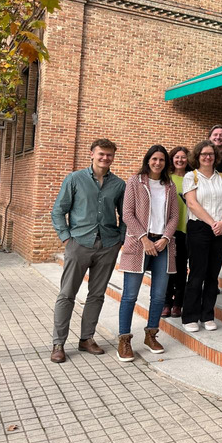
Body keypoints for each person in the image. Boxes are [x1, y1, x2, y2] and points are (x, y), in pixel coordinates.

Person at [49, 139, 126, 363]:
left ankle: (86, 339)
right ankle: (58, 343)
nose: (105, 158)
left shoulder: (119, 185)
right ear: (92, 154)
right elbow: (58, 211)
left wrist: (119, 240)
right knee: (66, 294)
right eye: (101, 154)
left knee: (97, 295)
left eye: (109, 155)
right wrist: (66, 238)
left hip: (108, 246)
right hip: (78, 243)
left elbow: (125, 216)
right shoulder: (75, 179)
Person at [118, 145, 180, 362]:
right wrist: (144, 239)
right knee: (130, 295)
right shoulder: (135, 181)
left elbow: (174, 216)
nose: (157, 163)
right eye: (154, 159)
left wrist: (164, 238)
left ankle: (151, 335)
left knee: (159, 295)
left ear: (166, 163)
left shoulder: (169, 185)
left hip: (163, 244)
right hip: (139, 243)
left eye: (162, 160)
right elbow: (127, 214)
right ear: (148, 160)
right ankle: (124, 340)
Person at [181, 140, 222, 332]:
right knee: (197, 273)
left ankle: (207, 315)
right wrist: (212, 223)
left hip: (221, 229)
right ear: (198, 156)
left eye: (211, 153)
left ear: (215, 156)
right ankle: (190, 317)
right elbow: (192, 204)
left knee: (213, 274)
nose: (207, 157)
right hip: (199, 229)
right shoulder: (191, 177)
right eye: (203, 154)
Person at [162, 146, 190, 319]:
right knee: (168, 269)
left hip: (187, 229)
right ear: (172, 159)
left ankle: (178, 303)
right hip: (169, 231)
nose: (180, 160)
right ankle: (166, 302)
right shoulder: (167, 179)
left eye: (183, 157)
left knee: (181, 268)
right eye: (176, 157)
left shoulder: (192, 178)